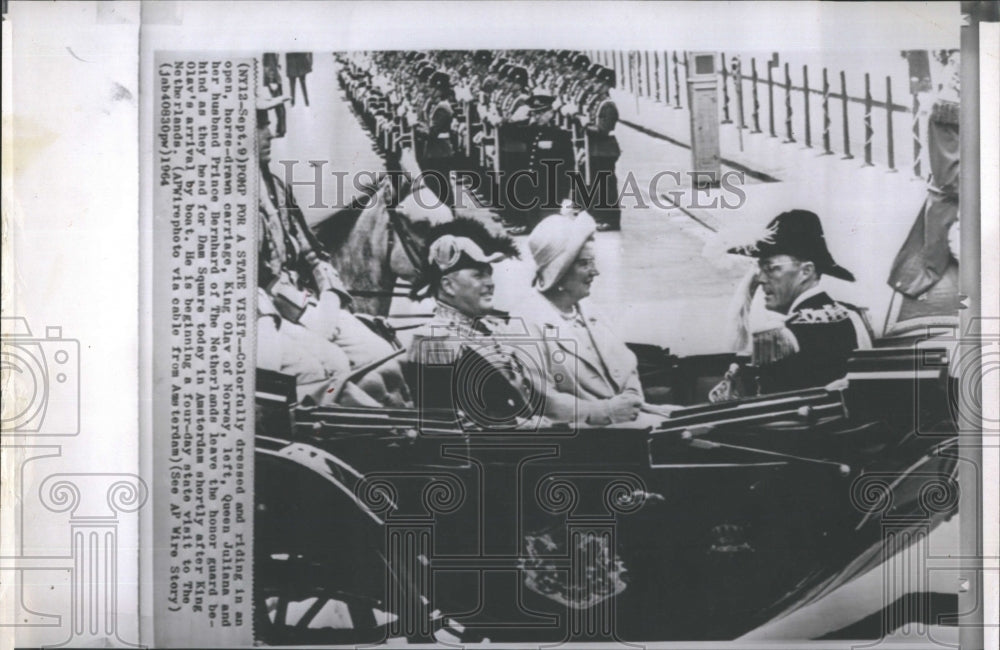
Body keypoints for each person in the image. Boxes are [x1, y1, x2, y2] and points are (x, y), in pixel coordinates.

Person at [512, 211, 647, 426]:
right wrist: (605, 411)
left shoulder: (588, 309)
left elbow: (626, 364)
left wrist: (631, 397)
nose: (595, 272)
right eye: (585, 264)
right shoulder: (526, 322)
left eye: (593, 262)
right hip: (584, 432)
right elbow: (544, 399)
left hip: (630, 420)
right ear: (560, 273)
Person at [725, 209, 874, 395]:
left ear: (806, 271)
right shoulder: (852, 316)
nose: (761, 279)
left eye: (771, 268)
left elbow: (768, 406)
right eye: (760, 269)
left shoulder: (778, 336)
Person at [405, 218, 531, 425]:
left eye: (489, 274)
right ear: (448, 286)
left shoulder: (490, 328)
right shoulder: (435, 341)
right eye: (479, 275)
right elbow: (444, 427)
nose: (490, 283)